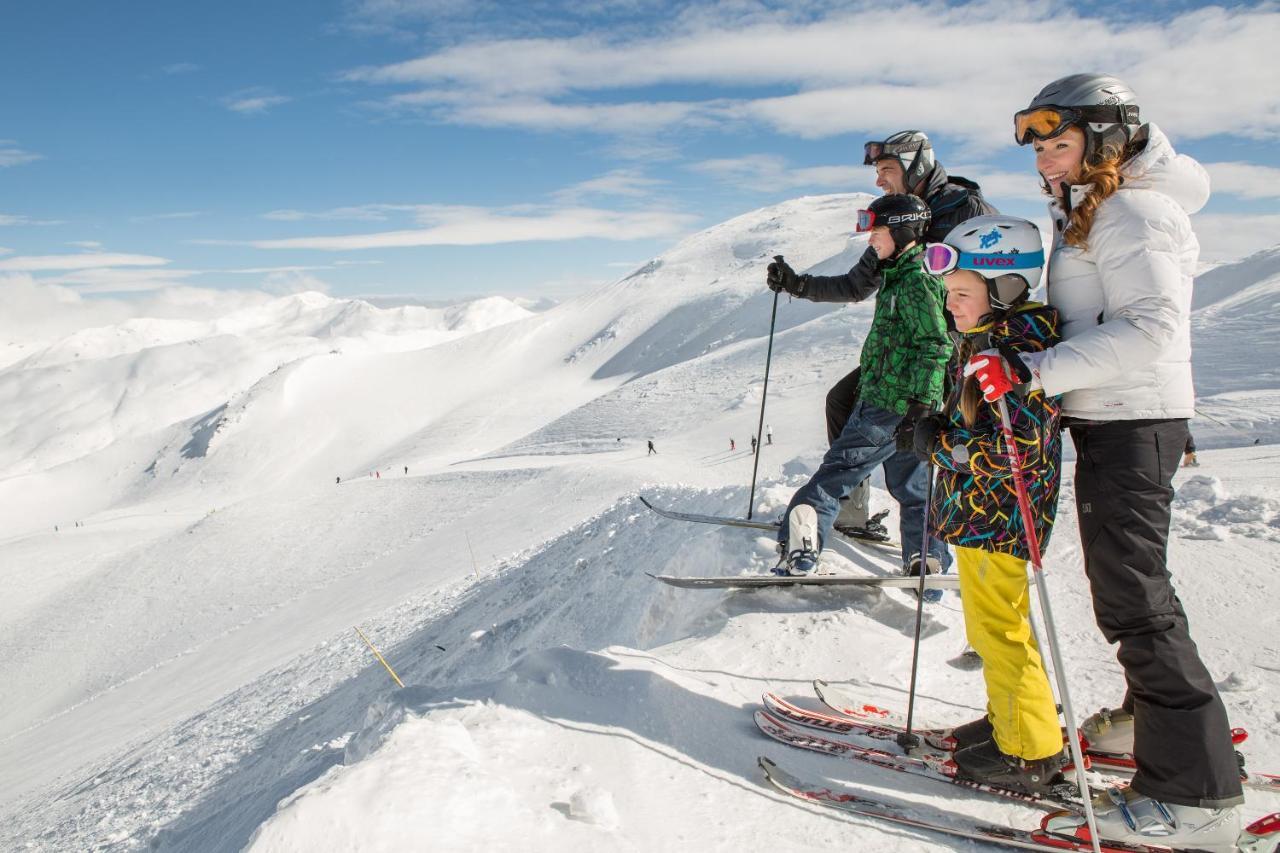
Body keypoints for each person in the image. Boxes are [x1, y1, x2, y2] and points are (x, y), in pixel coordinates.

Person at [967, 72, 1243, 849]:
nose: (1046, 161)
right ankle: (1141, 725)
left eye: (1061, 144)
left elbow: (1151, 328)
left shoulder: (1133, 210)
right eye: (1040, 148)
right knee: (1126, 586)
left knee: (1135, 600)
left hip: (1134, 416)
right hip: (1114, 414)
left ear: (1108, 141)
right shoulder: (1095, 206)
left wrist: (1034, 370)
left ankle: (1197, 795)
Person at [909, 215, 1065, 794]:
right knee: (993, 626)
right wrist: (939, 423)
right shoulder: (987, 339)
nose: (950, 305)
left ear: (1005, 289)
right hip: (982, 514)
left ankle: (1029, 751)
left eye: (962, 294)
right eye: (948, 294)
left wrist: (941, 445)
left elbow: (1014, 452)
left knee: (1000, 630)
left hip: (997, 515)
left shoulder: (1015, 350)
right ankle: (1014, 720)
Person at [778, 130, 997, 543]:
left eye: (887, 170)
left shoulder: (962, 208)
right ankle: (852, 511)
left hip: (950, 350)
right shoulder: (894, 217)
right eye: (878, 171)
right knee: (844, 401)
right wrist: (798, 285)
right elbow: (858, 284)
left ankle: (948, 536)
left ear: (917, 166)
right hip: (904, 352)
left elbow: (993, 274)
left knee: (932, 440)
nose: (879, 180)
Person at [767, 193, 952, 583]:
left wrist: (919, 406)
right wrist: (922, 408)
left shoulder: (915, 281)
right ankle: (926, 560)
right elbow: (852, 285)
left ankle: (801, 548)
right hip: (906, 405)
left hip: (886, 405)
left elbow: (936, 345)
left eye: (877, 232)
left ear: (902, 232)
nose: (871, 241)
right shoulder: (901, 272)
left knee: (835, 476)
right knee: (913, 488)